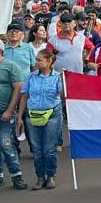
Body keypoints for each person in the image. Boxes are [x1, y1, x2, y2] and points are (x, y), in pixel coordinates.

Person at [17, 48, 63, 190]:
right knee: (37, 149)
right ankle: (40, 177)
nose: (36, 62)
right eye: (36, 60)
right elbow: (24, 96)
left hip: (52, 114)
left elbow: (63, 95)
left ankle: (50, 176)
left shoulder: (57, 77)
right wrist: (20, 117)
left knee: (49, 149)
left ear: (49, 62)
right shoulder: (31, 77)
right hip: (33, 114)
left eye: (39, 60)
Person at [0, 43, 27, 189]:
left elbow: (19, 88)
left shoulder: (11, 66)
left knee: (7, 145)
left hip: (4, 113)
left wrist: (10, 111)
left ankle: (17, 176)